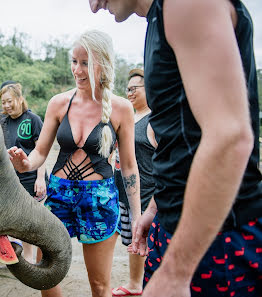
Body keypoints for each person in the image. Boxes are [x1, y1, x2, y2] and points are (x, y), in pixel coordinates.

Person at [89, 1, 262, 296]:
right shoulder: (159, 18)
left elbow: (230, 137)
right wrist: (156, 208)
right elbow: (182, 139)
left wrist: (176, 271)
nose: (93, 6)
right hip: (177, 227)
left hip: (217, 236)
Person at [8, 30, 141, 297]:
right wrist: (24, 164)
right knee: (48, 275)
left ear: (103, 64)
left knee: (100, 285)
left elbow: (128, 167)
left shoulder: (121, 108)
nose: (77, 70)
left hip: (100, 201)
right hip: (59, 196)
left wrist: (137, 217)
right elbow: (40, 153)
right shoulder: (58, 103)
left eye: (85, 63)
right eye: (74, 62)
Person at [113, 68, 156, 296]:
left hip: (147, 193)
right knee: (132, 239)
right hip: (123, 191)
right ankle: (135, 284)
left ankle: (143, 284)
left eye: (134, 89)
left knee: (144, 241)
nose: (129, 93)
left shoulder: (154, 120)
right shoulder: (129, 116)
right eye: (127, 89)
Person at [0, 80, 48, 263]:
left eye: (9, 101)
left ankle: (29, 258)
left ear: (20, 99)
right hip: (10, 179)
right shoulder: (2, 121)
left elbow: (41, 151)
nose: (6, 105)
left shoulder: (33, 120)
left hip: (31, 178)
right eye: (3, 102)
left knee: (30, 221)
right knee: (13, 219)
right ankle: (15, 255)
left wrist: (40, 178)